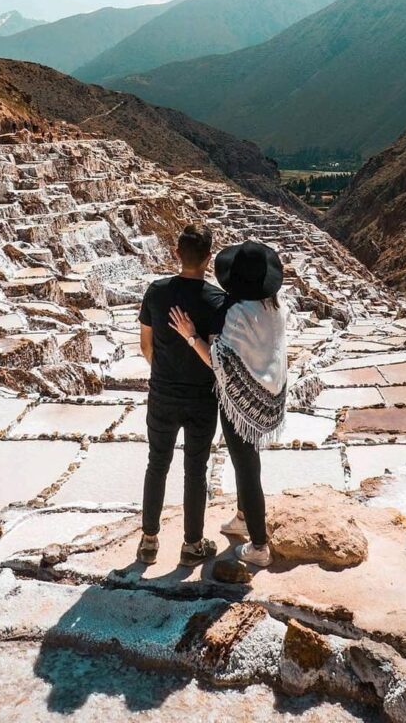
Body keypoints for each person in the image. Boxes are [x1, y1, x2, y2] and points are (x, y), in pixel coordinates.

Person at [169, 240, 287, 568]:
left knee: (246, 466)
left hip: (241, 402)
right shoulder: (275, 305)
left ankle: (259, 545)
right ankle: (243, 516)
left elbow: (217, 362)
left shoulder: (235, 314)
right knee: (246, 461)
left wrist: (190, 335)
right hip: (267, 395)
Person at [137, 224, 226, 567]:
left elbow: (146, 345)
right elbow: (217, 355)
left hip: (162, 393)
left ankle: (148, 541)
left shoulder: (156, 292)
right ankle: (192, 544)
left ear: (176, 253)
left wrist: (164, 372)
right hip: (202, 397)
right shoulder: (217, 300)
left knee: (156, 464)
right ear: (208, 258)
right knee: (195, 469)